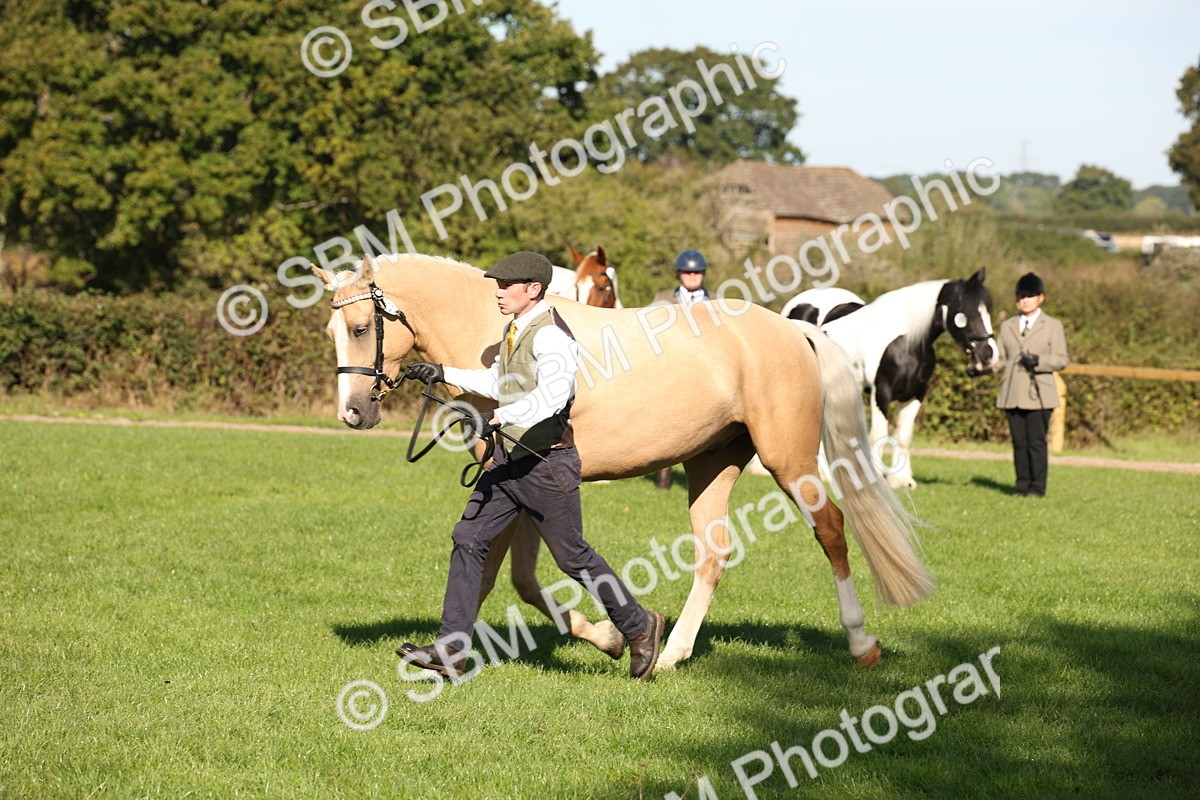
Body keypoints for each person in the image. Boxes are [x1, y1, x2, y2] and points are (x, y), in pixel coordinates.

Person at [398, 251, 665, 679]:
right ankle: (451, 651)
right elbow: (498, 383)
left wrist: (499, 417)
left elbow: (554, 397)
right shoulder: (515, 329)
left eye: (507, 286)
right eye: (497, 286)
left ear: (533, 289)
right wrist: (441, 371)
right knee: (468, 535)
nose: (499, 293)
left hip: (547, 463)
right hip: (509, 460)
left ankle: (639, 626)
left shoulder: (552, 336)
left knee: (572, 557)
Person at [995, 272, 1070, 497]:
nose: (1024, 301)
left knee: (1036, 442)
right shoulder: (1007, 325)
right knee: (1019, 442)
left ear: (1040, 298)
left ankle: (1037, 488)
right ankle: (1021, 486)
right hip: (1012, 391)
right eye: (1020, 296)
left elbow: (1061, 359)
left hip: (1039, 393)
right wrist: (982, 365)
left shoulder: (1052, 326)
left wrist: (1039, 361)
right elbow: (999, 358)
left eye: (1029, 296)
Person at [650, 249, 710, 489]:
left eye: (696, 272)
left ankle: (699, 477)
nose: (692, 275)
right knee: (668, 421)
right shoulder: (662, 298)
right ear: (679, 274)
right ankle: (663, 477)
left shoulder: (717, 300)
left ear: (703, 274)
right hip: (670, 366)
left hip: (706, 370)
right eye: (688, 272)